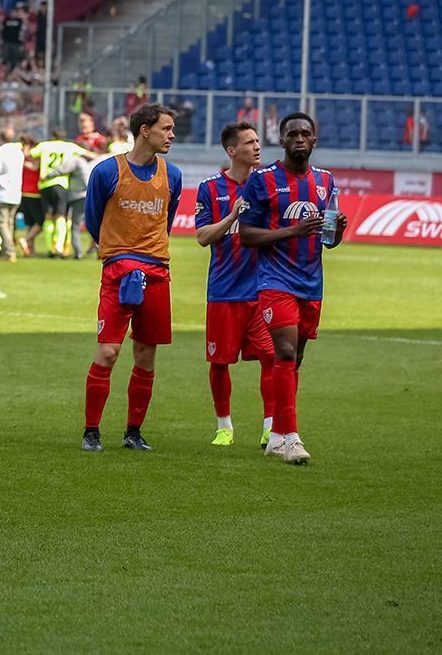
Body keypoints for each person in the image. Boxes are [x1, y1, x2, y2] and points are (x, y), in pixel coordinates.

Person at [239, 113, 346, 467]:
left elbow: (328, 241)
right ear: (282, 141)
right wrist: (292, 232)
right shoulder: (262, 179)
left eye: (305, 133)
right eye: (292, 134)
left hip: (311, 281)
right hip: (275, 280)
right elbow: (247, 235)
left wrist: (338, 230)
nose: (299, 138)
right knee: (284, 351)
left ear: (314, 140)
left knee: (295, 359)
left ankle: (275, 437)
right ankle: (291, 437)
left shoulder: (326, 181)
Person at [81, 103, 183, 453]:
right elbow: (94, 220)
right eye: (166, 129)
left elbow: (165, 222)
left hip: (157, 271)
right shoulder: (108, 171)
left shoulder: (173, 175)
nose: (172, 135)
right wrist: (119, 251)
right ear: (145, 131)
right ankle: (91, 431)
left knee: (146, 354)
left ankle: (133, 431)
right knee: (108, 352)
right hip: (119, 272)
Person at [195, 122, 275, 449]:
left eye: (258, 141)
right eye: (249, 142)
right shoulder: (210, 188)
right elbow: (202, 237)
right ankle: (224, 426)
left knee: (272, 358)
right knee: (219, 362)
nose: (257, 147)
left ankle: (271, 426)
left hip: (263, 288)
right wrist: (231, 218)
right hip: (224, 290)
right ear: (232, 150)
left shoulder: (268, 185)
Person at [0, 127, 23, 262]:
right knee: (9, 223)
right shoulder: (18, 151)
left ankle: (9, 251)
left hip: (1, 192)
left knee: (1, 223)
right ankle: (4, 250)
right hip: (15, 191)